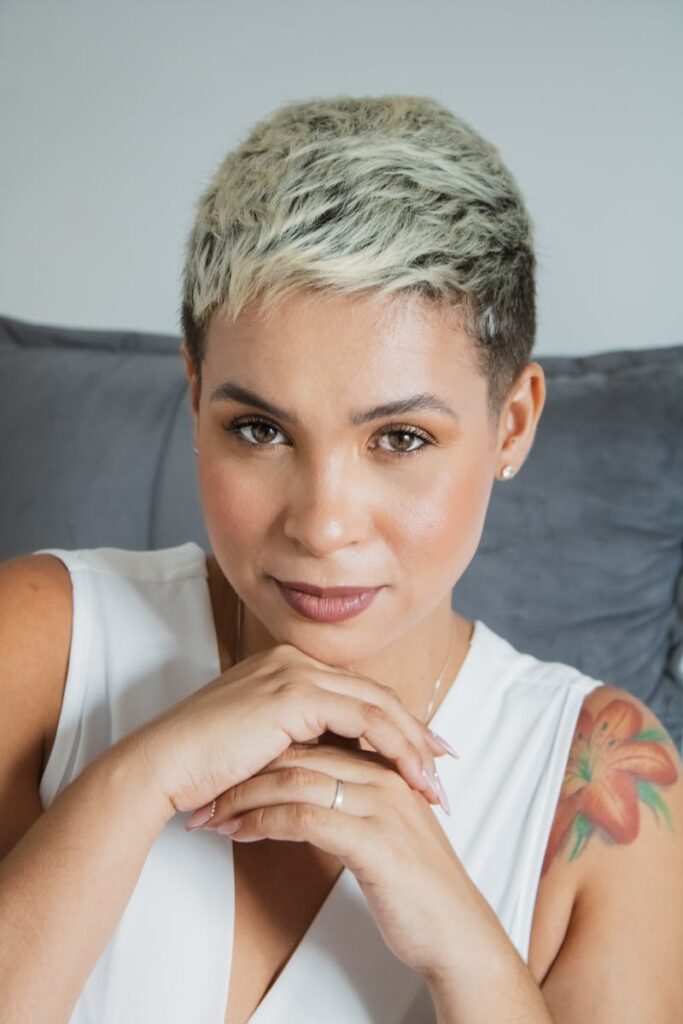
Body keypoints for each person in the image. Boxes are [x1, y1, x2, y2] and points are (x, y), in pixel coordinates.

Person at [0, 94, 681, 1024]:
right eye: (259, 429)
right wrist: (130, 785)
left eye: (399, 438)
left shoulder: (603, 781)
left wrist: (469, 954)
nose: (323, 526)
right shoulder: (39, 642)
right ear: (194, 398)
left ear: (510, 424)